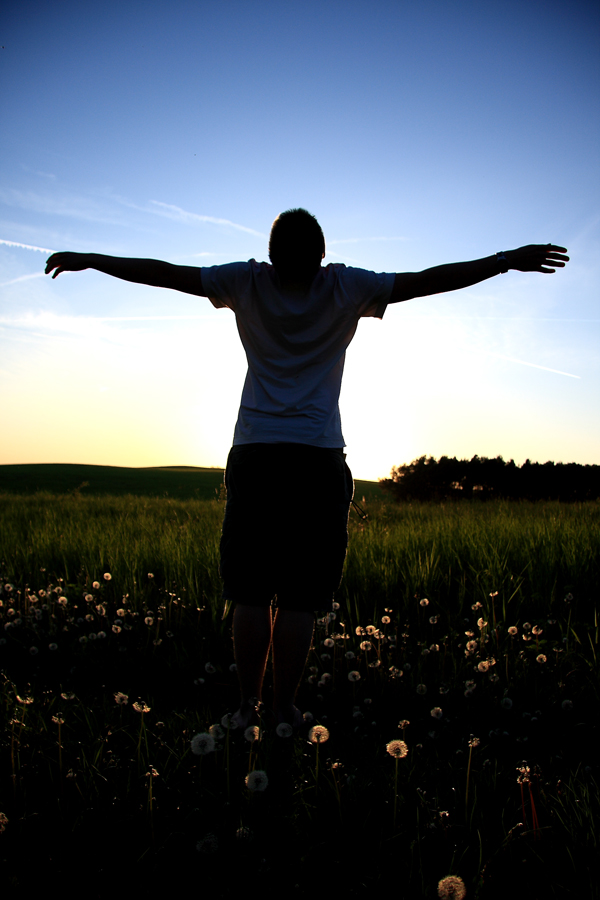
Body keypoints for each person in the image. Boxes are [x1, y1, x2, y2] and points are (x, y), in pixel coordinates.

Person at [45, 208, 569, 728]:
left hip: (256, 452)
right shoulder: (346, 287)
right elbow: (429, 281)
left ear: (271, 255)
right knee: (299, 600)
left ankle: (246, 708)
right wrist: (505, 261)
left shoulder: (244, 281)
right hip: (317, 458)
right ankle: (283, 710)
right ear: (322, 254)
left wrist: (92, 259)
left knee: (250, 593)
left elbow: (164, 273)